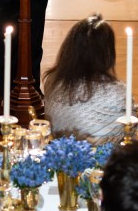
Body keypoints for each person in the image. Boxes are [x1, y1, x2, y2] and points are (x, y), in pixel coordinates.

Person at [43, 13, 133, 141]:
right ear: (107, 54)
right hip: (103, 156)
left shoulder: (52, 80)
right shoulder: (118, 91)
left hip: (61, 152)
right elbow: (131, 131)